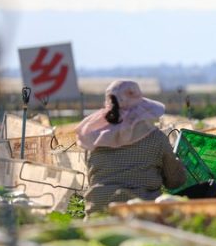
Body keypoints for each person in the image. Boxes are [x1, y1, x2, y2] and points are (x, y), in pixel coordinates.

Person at [76, 80, 187, 212]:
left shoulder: (94, 138)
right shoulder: (155, 138)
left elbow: (92, 177)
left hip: (98, 210)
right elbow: (175, 181)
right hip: (142, 212)